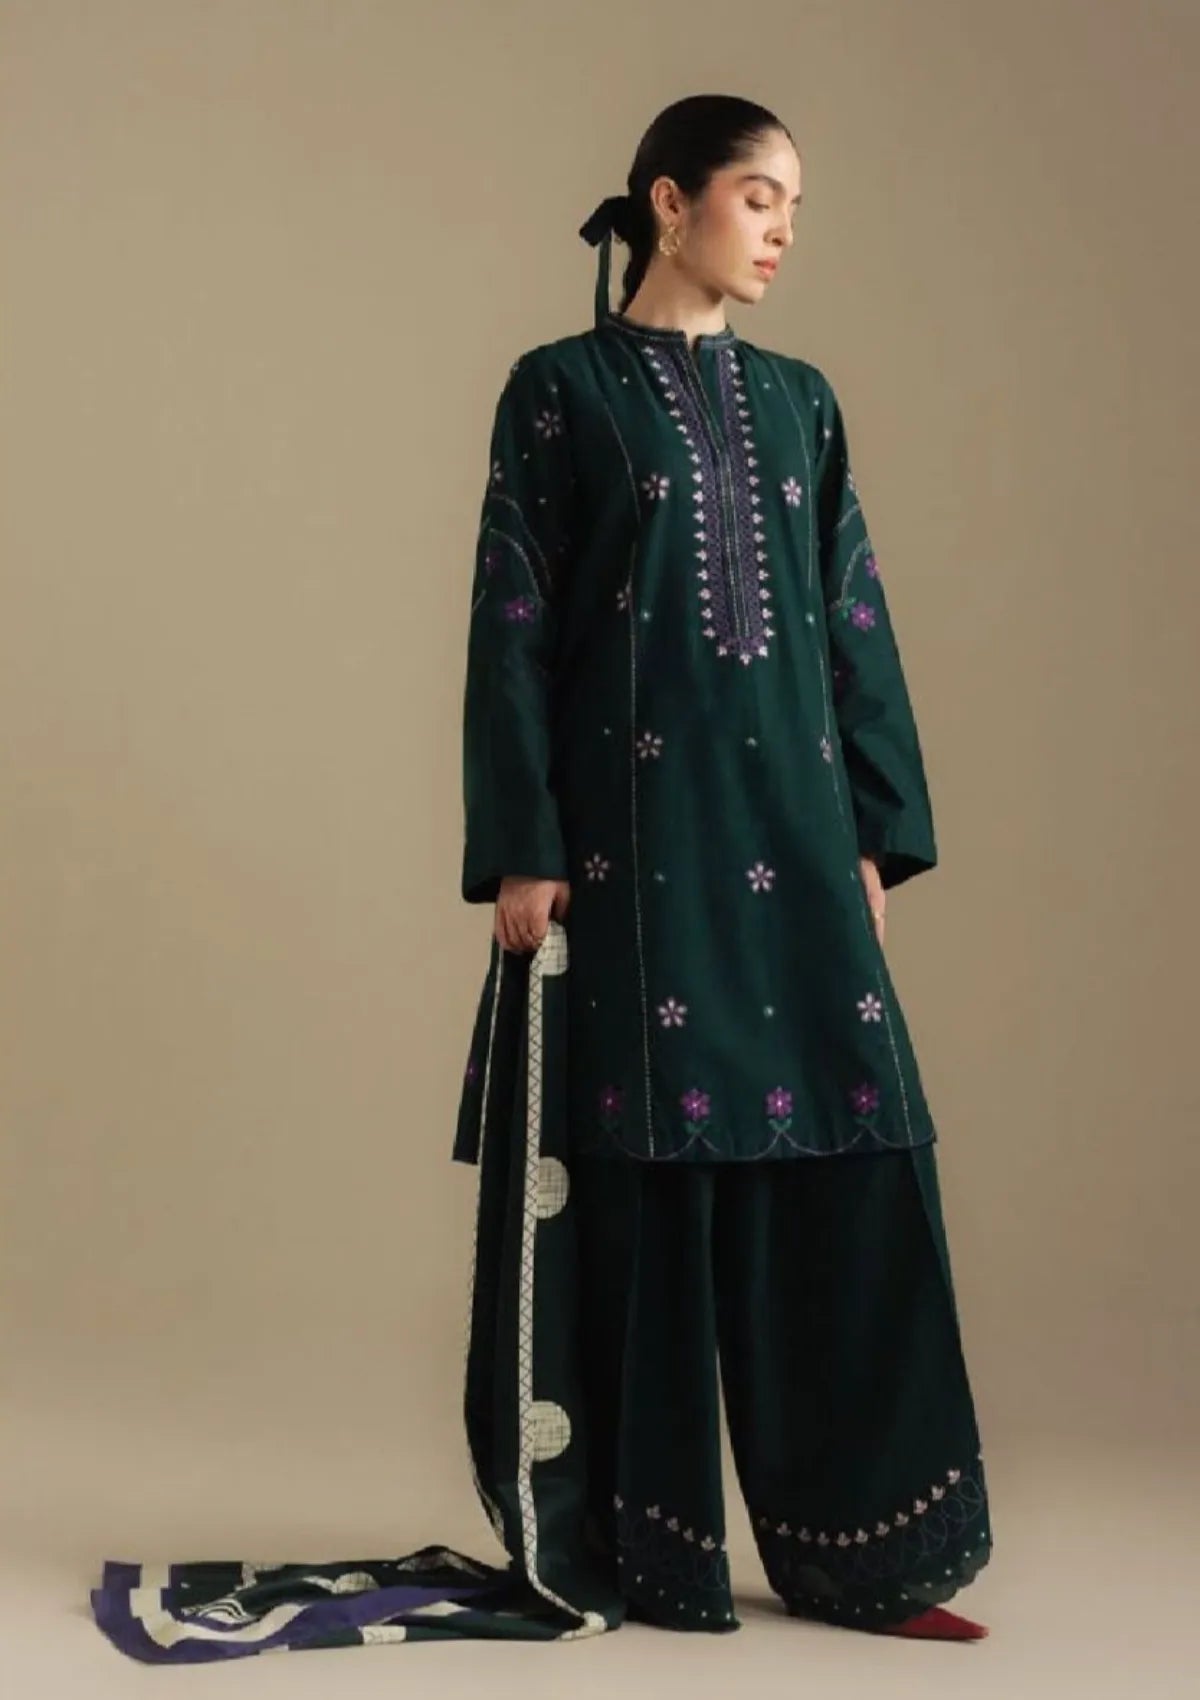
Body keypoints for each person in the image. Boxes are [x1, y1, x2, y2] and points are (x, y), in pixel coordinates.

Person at [88, 93, 992, 1664]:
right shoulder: (560, 392)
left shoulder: (803, 403)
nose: (784, 229)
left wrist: (872, 828)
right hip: (637, 855)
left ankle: (866, 1554)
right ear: (670, 202)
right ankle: (649, 1551)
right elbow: (511, 623)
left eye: (796, 204)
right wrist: (524, 843)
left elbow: (853, 612)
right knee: (650, 1174)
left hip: (794, 846)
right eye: (759, 196)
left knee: (847, 1170)